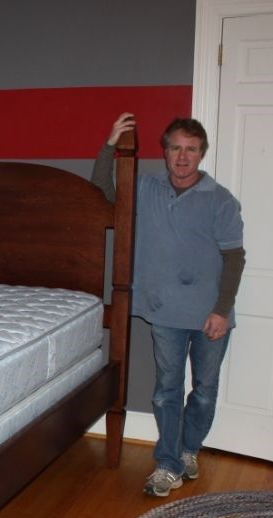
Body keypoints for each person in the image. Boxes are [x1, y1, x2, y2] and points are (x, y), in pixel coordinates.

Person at [92, 113, 245, 497]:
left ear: (201, 154)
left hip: (211, 312)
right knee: (166, 389)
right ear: (165, 151)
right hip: (165, 310)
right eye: (175, 147)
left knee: (205, 389)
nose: (182, 156)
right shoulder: (145, 188)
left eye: (191, 149)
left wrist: (221, 310)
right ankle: (168, 463)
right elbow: (102, 193)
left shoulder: (221, 200)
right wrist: (110, 145)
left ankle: (189, 448)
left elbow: (234, 258)